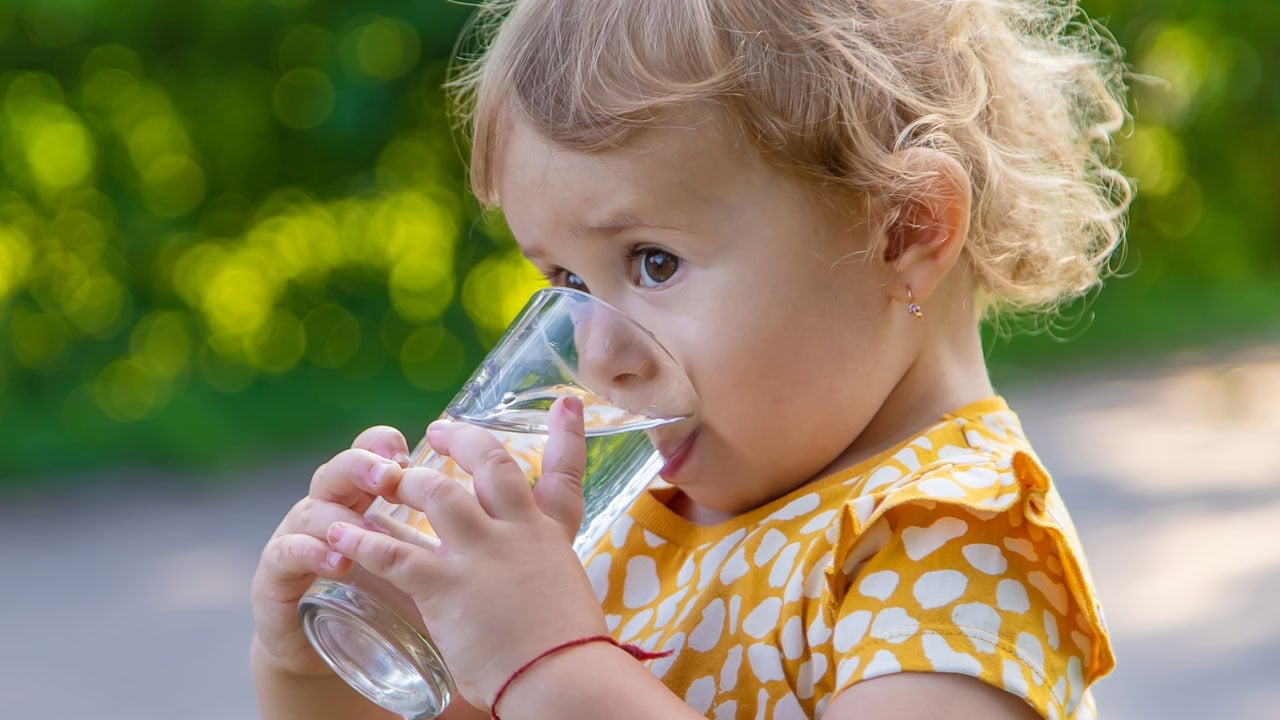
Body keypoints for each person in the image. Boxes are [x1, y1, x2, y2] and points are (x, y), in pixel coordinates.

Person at [251, 0, 1131, 717]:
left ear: (903, 229)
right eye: (564, 279)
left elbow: (546, 684)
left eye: (652, 262)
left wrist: (554, 664)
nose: (598, 356)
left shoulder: (954, 540)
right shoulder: (623, 517)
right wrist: (321, 675)